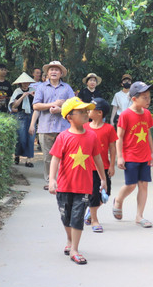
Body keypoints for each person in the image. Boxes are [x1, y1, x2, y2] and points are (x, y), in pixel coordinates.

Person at [48, 97, 107, 265]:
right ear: (69, 117)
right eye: (80, 112)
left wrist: (103, 179)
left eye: (85, 111)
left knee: (78, 217)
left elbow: (98, 159)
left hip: (84, 186)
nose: (85, 114)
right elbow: (55, 160)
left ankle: (75, 249)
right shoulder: (63, 137)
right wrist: (52, 180)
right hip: (64, 185)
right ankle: (69, 239)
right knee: (65, 217)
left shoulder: (92, 136)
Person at [113, 81, 153, 228]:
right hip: (130, 155)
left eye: (149, 97)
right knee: (131, 185)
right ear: (134, 99)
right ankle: (118, 200)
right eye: (144, 97)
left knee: (144, 185)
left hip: (144, 156)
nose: (148, 100)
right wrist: (120, 156)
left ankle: (139, 216)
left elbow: (148, 133)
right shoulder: (125, 115)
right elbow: (119, 137)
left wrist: (152, 152)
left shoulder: (147, 114)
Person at [32, 60, 75, 190]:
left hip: (64, 128)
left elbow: (74, 106)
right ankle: (50, 181)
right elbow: (36, 105)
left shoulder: (67, 88)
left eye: (56, 69)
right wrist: (52, 104)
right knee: (47, 157)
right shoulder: (41, 88)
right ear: (47, 73)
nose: (54, 72)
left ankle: (63, 181)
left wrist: (60, 109)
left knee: (65, 157)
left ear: (61, 73)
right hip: (45, 128)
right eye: (51, 69)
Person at [83, 98, 118, 233]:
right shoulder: (85, 127)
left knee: (106, 194)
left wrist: (112, 165)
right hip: (88, 168)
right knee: (93, 195)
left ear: (99, 113)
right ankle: (94, 220)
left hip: (103, 167)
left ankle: (90, 213)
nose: (88, 111)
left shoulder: (109, 129)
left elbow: (112, 147)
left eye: (91, 109)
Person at [10, 72, 36, 167]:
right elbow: (14, 105)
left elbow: (37, 102)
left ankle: (28, 160)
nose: (25, 84)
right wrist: (23, 96)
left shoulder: (33, 90)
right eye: (23, 82)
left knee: (31, 138)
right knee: (21, 138)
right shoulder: (17, 91)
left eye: (27, 82)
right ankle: (17, 155)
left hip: (31, 115)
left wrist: (33, 96)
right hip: (20, 115)